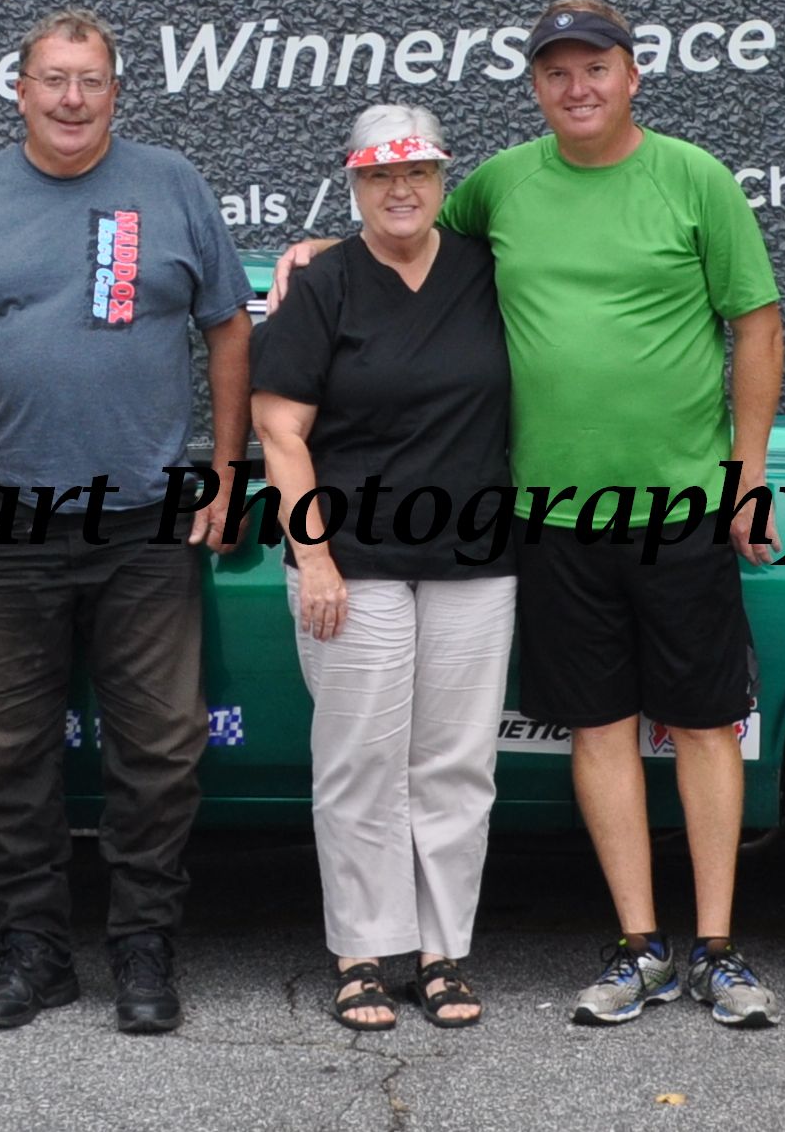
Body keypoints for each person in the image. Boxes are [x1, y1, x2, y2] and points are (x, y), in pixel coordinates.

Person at [275, 0, 785, 1029]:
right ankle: (638, 946)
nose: (576, 86)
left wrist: (746, 474)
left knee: (702, 725)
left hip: (681, 505)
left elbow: (759, 327)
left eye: (594, 67)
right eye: (556, 71)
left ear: (631, 74)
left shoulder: (695, 178)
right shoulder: (501, 186)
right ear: (535, 87)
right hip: (549, 518)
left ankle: (717, 949)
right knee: (596, 728)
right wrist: (321, 247)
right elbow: (400, 238)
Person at [0, 6, 254, 1035]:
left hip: (146, 522)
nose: (70, 98)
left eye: (90, 80)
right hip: (1, 522)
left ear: (115, 93)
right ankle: (33, 949)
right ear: (19, 91)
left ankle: (143, 945)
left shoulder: (171, 186)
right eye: (52, 79)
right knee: (1, 752)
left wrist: (227, 475)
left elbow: (229, 331)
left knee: (160, 750)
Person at [251, 104, 516, 1032]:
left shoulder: (487, 269)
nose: (400, 189)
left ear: (444, 180)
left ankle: (443, 954)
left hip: (474, 558)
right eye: (379, 175)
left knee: (455, 764)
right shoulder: (324, 284)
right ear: (354, 182)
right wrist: (314, 556)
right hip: (352, 562)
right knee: (361, 761)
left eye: (417, 172)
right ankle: (363, 955)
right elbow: (279, 428)